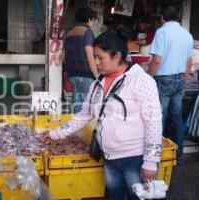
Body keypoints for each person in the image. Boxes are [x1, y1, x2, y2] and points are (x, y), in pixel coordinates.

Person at [42, 28, 162, 200]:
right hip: (109, 158)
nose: (96, 62)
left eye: (100, 58)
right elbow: (84, 114)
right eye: (95, 57)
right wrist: (55, 134)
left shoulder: (141, 81)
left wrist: (151, 160)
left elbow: (154, 122)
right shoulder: (97, 83)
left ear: (117, 56)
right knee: (115, 196)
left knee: (138, 197)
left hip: (134, 158)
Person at [148, 5, 193, 165]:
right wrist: (184, 80)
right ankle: (179, 155)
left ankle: (155, 158)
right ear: (178, 18)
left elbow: (157, 60)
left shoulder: (162, 32)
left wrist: (148, 77)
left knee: (158, 118)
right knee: (177, 118)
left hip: (163, 80)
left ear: (162, 18)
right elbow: (189, 61)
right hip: (179, 79)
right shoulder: (187, 34)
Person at [63, 7, 99, 113]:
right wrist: (97, 76)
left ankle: (78, 129)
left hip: (72, 75)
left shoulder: (69, 34)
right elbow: (89, 56)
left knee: (77, 107)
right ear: (89, 19)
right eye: (93, 20)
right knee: (89, 108)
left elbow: (64, 57)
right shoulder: (87, 32)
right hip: (86, 75)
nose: (93, 23)